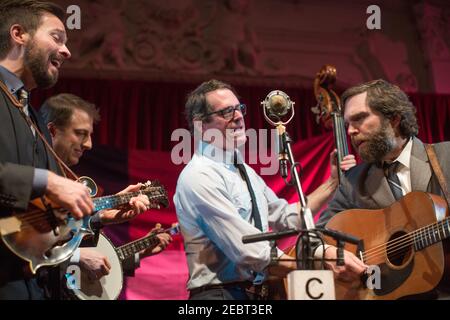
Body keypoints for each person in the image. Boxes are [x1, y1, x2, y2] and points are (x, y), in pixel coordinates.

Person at [173, 79, 355, 300]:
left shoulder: (244, 171)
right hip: (220, 295)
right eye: (227, 112)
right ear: (201, 125)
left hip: (255, 294)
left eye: (239, 108)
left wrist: (332, 183)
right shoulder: (200, 176)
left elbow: (287, 218)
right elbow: (248, 249)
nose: (239, 117)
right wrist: (319, 263)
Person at [315, 79, 450, 294]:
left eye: (359, 119)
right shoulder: (353, 181)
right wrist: (328, 252)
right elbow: (315, 236)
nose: (350, 131)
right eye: (347, 124)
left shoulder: (446, 158)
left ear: (394, 119)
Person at [0, 0, 97, 299]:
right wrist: (48, 181)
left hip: (29, 283)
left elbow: (30, 217)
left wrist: (99, 214)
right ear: (19, 34)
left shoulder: (30, 112)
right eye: (57, 37)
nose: (67, 51)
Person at [39, 93, 172, 296]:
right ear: (52, 130)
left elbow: (74, 272)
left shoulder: (68, 180)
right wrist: (76, 256)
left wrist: (103, 215)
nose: (89, 144)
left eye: (90, 135)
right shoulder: (35, 177)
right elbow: (24, 238)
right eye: (81, 133)